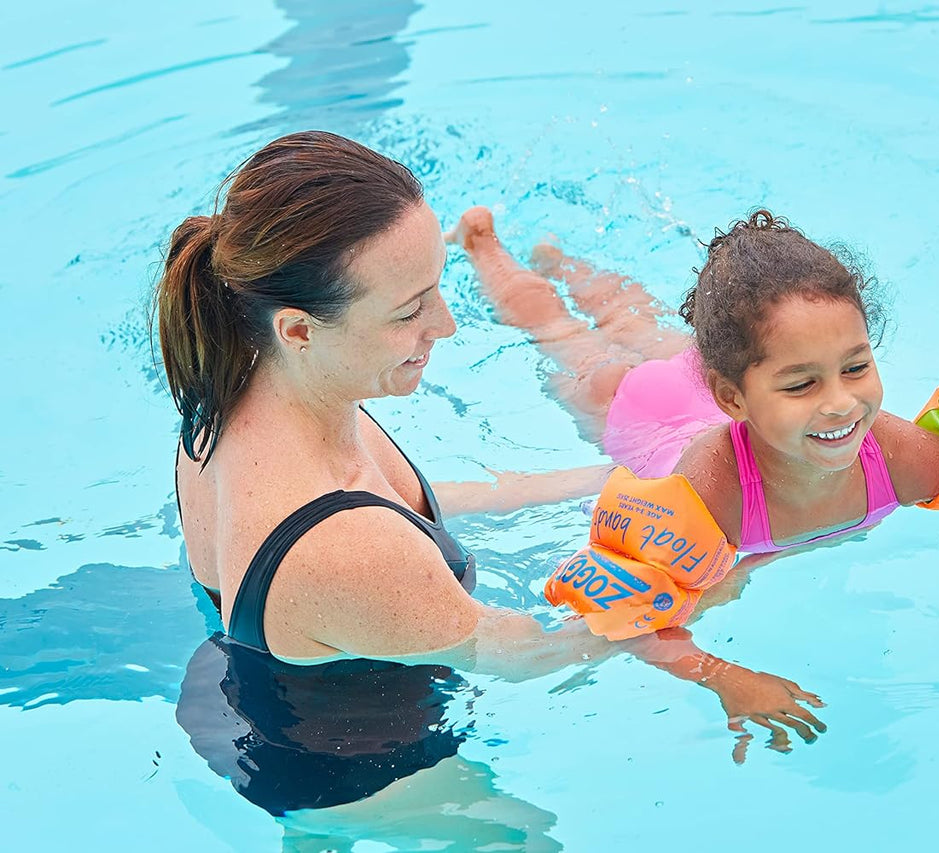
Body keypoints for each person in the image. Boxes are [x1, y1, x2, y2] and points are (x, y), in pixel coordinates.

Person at [155, 130, 823, 801]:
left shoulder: (239, 386)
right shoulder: (348, 551)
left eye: (435, 287)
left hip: (270, 670)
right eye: (409, 309)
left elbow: (381, 498)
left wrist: (572, 484)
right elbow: (535, 654)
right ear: (299, 329)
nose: (445, 324)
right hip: (359, 777)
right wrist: (739, 564)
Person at [448, 206, 939, 657]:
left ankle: (564, 259)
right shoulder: (707, 489)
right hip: (646, 412)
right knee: (563, 336)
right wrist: (726, 677)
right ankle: (487, 245)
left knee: (631, 315)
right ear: (733, 395)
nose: (841, 405)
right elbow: (642, 615)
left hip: (716, 387)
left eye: (856, 367)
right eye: (805, 384)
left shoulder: (894, 454)